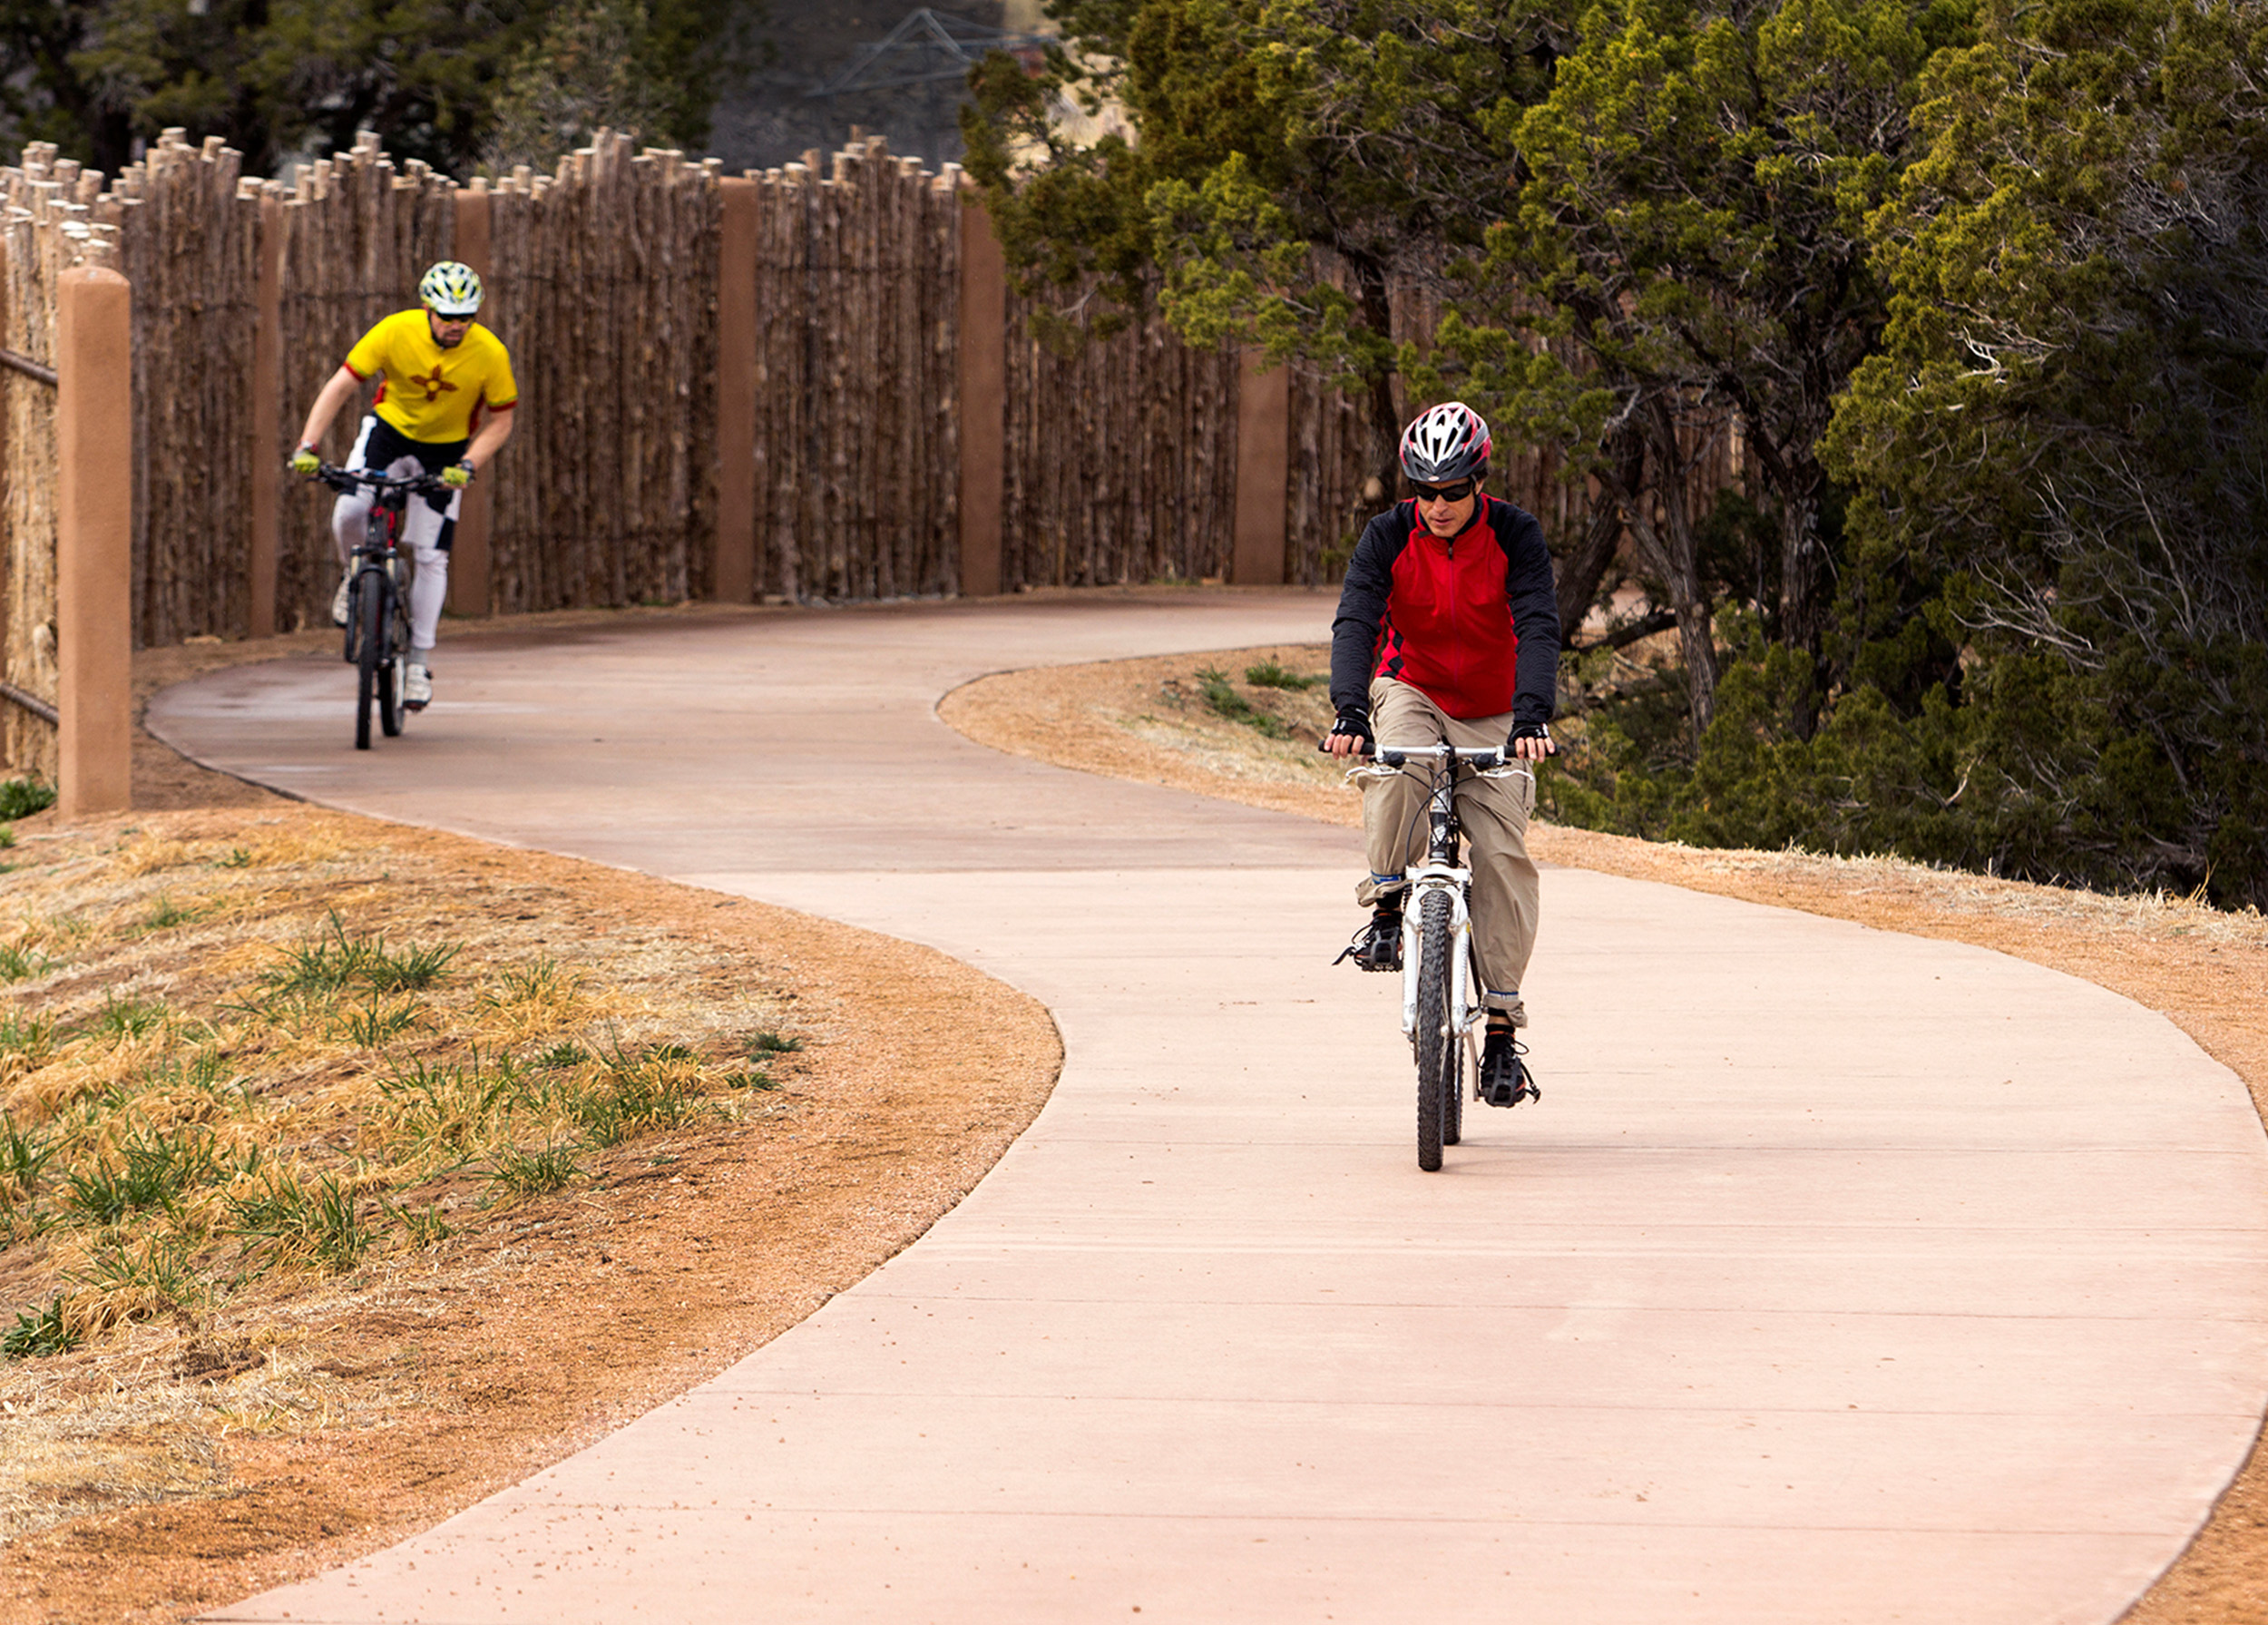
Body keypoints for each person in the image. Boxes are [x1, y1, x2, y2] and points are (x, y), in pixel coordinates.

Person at [1322, 401, 1561, 1107]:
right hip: (1414, 685)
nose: (1438, 506)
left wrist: (1533, 716)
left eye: (1452, 491)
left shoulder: (1516, 534)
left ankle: (1499, 1035)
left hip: (1497, 709)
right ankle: (1390, 907)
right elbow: (1357, 619)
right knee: (1396, 769)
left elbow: (1541, 622)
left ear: (1478, 482)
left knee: (1503, 859)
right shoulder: (1386, 535)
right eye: (1425, 491)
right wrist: (1347, 710)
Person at [288, 261, 518, 710]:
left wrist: (468, 465)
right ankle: (353, 574)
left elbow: (502, 420)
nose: (457, 326)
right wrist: (308, 446)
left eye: (466, 317)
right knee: (351, 512)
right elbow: (340, 387)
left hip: (447, 450)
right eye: (448, 316)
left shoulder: (490, 353)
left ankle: (417, 662)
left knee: (431, 555)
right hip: (388, 434)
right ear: (428, 308)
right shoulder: (394, 331)